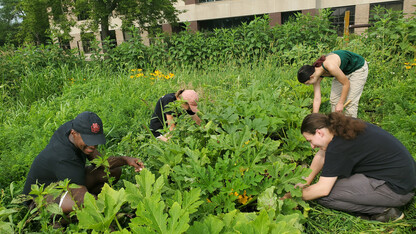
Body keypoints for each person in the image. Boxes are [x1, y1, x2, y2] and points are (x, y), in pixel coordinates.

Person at [287, 112, 416, 222]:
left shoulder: (338, 147)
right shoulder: (340, 126)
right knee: (330, 185)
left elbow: (322, 189)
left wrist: (291, 197)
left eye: (310, 141)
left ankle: (385, 212)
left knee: (324, 197)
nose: (312, 146)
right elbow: (321, 155)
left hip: (398, 190)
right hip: (404, 177)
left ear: (319, 132)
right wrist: (304, 182)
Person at [23, 111, 145, 213]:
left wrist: (125, 160)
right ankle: (58, 221)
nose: (93, 146)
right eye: (88, 140)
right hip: (39, 199)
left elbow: (101, 162)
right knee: (82, 203)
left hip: (63, 182)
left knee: (113, 171)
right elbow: (82, 198)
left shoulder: (73, 129)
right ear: (74, 134)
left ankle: (89, 205)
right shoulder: (64, 156)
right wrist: (116, 209)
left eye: (95, 140)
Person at [297, 50, 368, 118]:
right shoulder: (315, 73)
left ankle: (350, 128)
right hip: (342, 71)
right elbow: (317, 98)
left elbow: (346, 84)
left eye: (307, 83)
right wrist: (314, 116)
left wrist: (341, 103)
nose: (308, 85)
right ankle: (337, 126)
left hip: (357, 68)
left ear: (311, 77)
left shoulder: (330, 67)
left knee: (350, 103)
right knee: (334, 100)